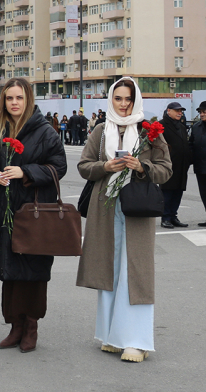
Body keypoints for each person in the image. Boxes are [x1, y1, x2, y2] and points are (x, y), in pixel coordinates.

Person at [76, 77, 171, 363]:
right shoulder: (101, 130)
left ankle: (136, 341)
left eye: (128, 98)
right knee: (110, 269)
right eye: (118, 98)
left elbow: (165, 170)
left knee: (136, 273)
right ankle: (111, 336)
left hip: (137, 209)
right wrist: (105, 166)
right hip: (105, 207)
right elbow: (83, 166)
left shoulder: (150, 131)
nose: (124, 103)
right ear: (111, 100)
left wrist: (141, 167)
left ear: (136, 99)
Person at [0, 78, 67, 353]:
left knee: (33, 270)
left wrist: (26, 171)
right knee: (9, 271)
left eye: (19, 98)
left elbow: (60, 165)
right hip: (5, 211)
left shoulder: (45, 131)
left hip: (33, 212)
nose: (14, 103)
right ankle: (15, 327)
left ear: (28, 99)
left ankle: (31, 326)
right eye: (9, 98)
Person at [160, 101, 191, 229]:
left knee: (178, 191)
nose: (180, 113)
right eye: (177, 110)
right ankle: (165, 217)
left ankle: (173, 216)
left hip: (182, 165)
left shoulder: (181, 126)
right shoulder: (162, 125)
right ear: (169, 111)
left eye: (181, 111)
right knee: (167, 192)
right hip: (169, 165)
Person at [189, 102, 206, 227]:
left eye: (204, 112)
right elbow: (191, 145)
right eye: (200, 112)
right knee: (204, 194)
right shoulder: (196, 127)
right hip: (200, 167)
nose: (201, 114)